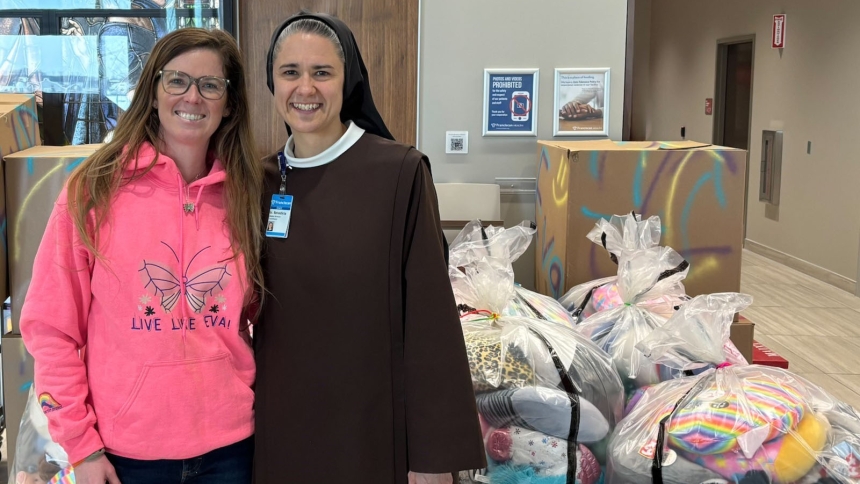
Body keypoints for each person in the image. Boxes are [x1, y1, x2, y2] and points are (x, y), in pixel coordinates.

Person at [20, 28, 263, 484]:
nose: (193, 96)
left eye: (210, 85)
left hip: (232, 450)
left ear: (229, 103)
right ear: (152, 93)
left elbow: (255, 319)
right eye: (177, 80)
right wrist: (81, 448)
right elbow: (50, 329)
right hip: (124, 456)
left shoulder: (247, 195)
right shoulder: (94, 189)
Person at [254, 12, 485, 484]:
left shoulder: (398, 174)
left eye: (322, 73)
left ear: (348, 80)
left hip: (370, 431)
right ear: (272, 83)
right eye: (290, 72)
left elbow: (431, 324)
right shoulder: (259, 181)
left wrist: (434, 457)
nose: (305, 88)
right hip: (278, 434)